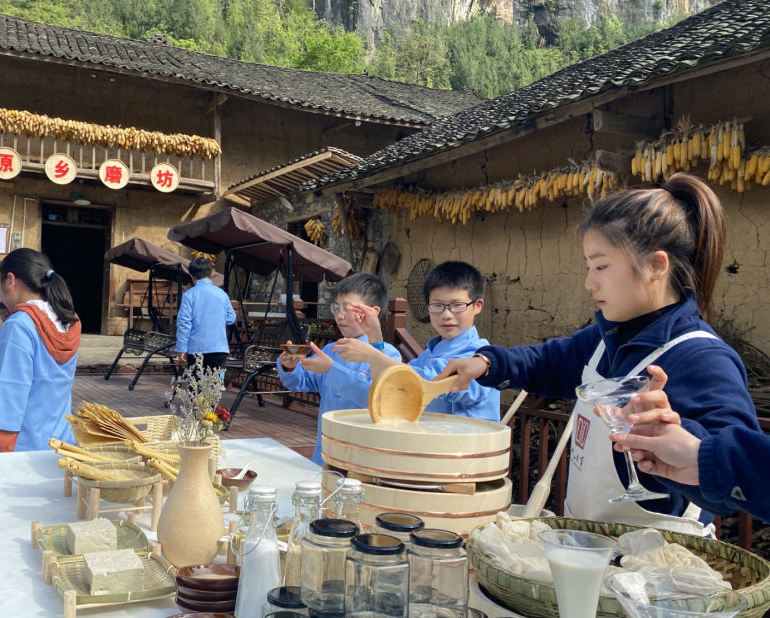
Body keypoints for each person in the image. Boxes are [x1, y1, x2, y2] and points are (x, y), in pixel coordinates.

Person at [439, 173, 760, 534]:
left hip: (653, 573)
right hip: (586, 547)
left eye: (602, 266)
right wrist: (486, 363)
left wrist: (676, 429)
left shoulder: (701, 358)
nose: (590, 282)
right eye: (589, 267)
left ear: (656, 265)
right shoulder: (605, 337)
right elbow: (546, 362)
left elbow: (732, 466)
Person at [334, 261, 500, 423]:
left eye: (457, 305)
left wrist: (372, 355)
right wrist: (375, 336)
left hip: (465, 448)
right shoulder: (430, 353)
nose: (447, 314)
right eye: (437, 305)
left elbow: (426, 384)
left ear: (477, 306)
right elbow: (396, 386)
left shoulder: (480, 356)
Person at [609, 364, 770, 522]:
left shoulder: (708, 359)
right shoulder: (593, 343)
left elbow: (725, 504)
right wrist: (698, 459)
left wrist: (700, 457)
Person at [277, 272, 402, 465]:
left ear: (373, 312)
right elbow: (303, 381)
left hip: (362, 456)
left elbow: (375, 399)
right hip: (326, 450)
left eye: (348, 308)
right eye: (336, 308)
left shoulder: (386, 355)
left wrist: (331, 370)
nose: (340, 315)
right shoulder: (332, 350)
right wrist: (290, 367)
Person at [0, 248, 80, 452]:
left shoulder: (20, 325)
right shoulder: (68, 320)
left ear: (10, 280)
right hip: (62, 442)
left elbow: (8, 396)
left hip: (22, 450)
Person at [175, 256, 236, 372]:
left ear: (192, 276)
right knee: (215, 386)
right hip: (219, 348)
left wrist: (182, 348)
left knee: (196, 386)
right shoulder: (222, 294)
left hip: (197, 348)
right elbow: (231, 318)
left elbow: (184, 323)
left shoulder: (189, 295)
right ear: (212, 274)